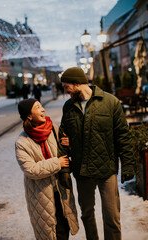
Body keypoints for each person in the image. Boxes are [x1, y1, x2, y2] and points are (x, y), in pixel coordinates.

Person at [58, 67, 135, 240]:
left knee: (112, 216)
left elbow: (122, 135)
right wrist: (63, 169)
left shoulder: (110, 102)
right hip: (81, 170)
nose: (65, 91)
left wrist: (128, 163)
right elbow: (62, 138)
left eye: (66, 86)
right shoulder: (69, 107)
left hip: (106, 169)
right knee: (86, 214)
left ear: (77, 84)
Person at [15, 98, 79, 240]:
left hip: (61, 190)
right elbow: (30, 170)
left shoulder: (54, 130)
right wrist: (57, 163)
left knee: (64, 229)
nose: (43, 109)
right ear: (29, 116)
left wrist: (69, 145)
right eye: (38, 107)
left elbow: (66, 154)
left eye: (41, 106)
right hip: (41, 194)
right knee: (49, 232)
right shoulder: (22, 142)